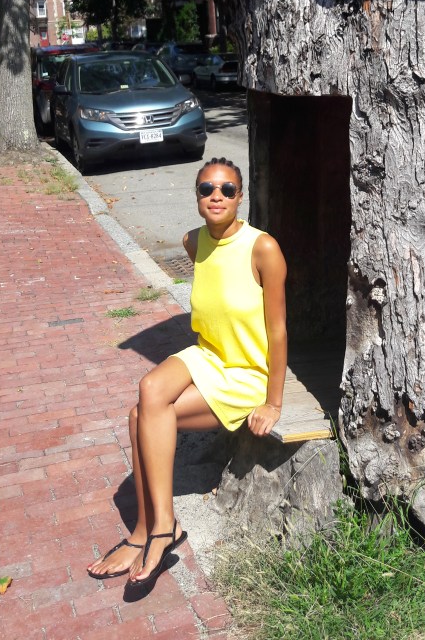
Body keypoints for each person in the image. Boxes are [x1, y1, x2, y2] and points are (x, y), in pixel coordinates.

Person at [87, 156, 287, 587]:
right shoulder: (193, 242)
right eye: (207, 189)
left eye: (228, 189)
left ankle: (152, 529)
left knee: (141, 418)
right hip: (206, 355)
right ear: (197, 195)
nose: (217, 196)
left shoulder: (262, 248)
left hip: (244, 371)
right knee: (148, 389)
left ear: (240, 196)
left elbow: (278, 330)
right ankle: (158, 528)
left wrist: (273, 401)